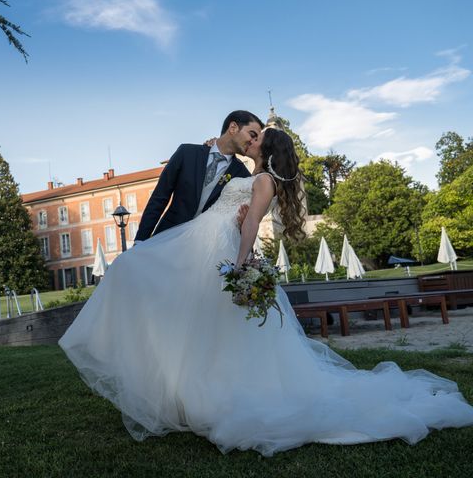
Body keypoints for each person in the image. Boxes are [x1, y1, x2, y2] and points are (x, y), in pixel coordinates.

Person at [59, 128, 473, 457]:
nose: (250, 140)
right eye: (249, 134)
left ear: (267, 148)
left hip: (218, 249)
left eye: (257, 138)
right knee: (188, 312)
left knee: (206, 320)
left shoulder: (261, 180)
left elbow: (253, 223)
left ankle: (205, 393)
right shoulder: (251, 176)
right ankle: (182, 392)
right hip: (200, 241)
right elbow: (240, 209)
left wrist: (240, 267)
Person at [133, 110, 263, 242]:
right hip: (166, 237)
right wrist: (140, 240)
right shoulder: (186, 153)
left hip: (206, 248)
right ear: (233, 127)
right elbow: (159, 198)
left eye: (256, 139)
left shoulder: (242, 175)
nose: (253, 142)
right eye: (252, 135)